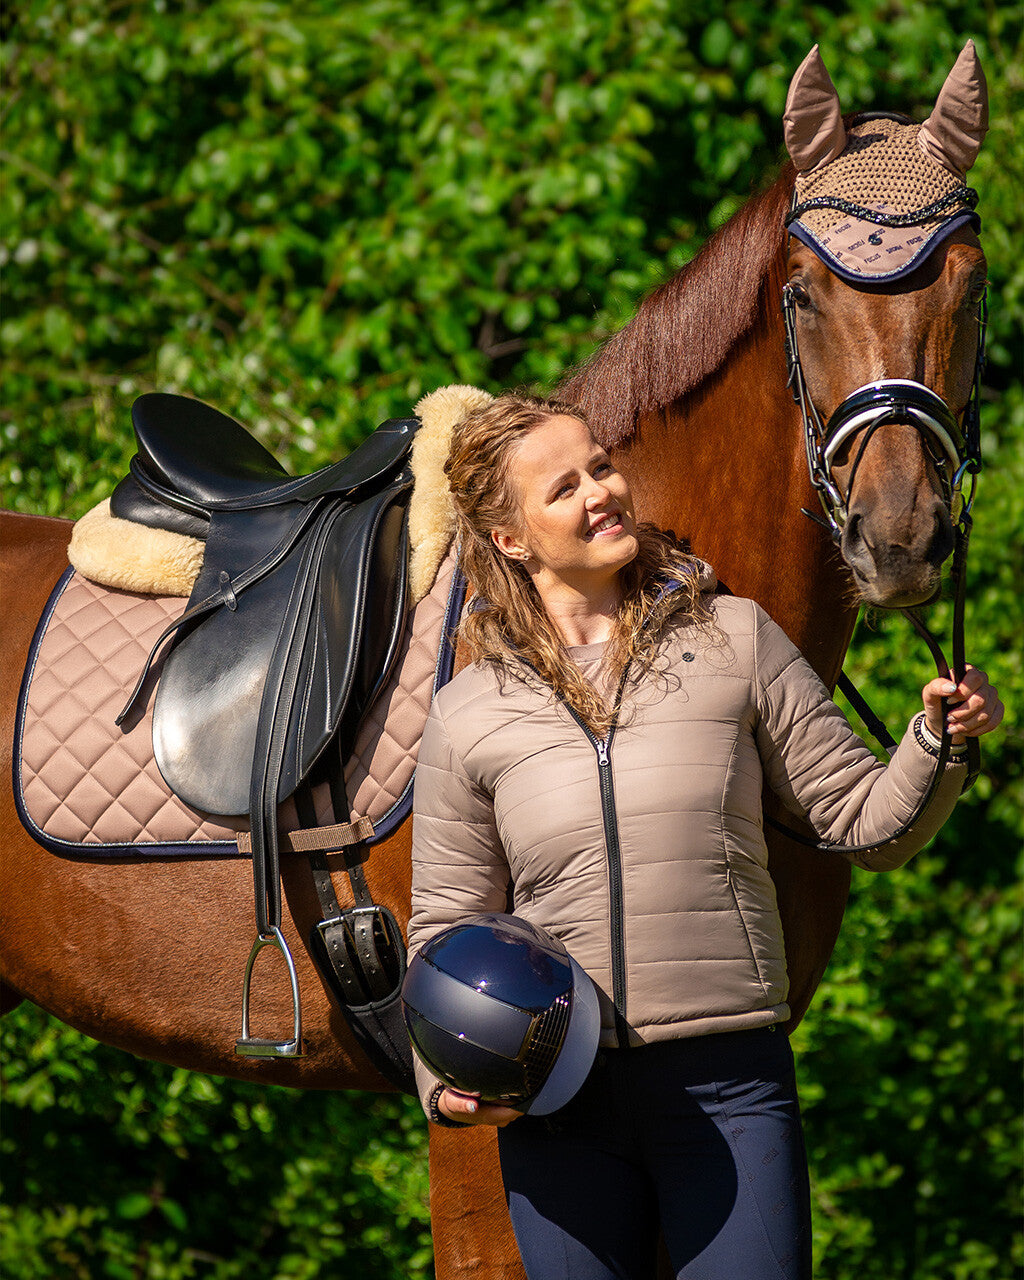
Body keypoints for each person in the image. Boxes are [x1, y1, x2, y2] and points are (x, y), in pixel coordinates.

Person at [407, 392, 1003, 1280]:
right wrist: (448, 1084)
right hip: (555, 1105)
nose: (601, 492)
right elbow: (445, 928)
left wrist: (937, 741)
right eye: (564, 488)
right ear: (511, 539)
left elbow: (861, 822)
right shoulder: (469, 713)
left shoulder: (735, 637)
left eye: (601, 467)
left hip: (731, 1091)